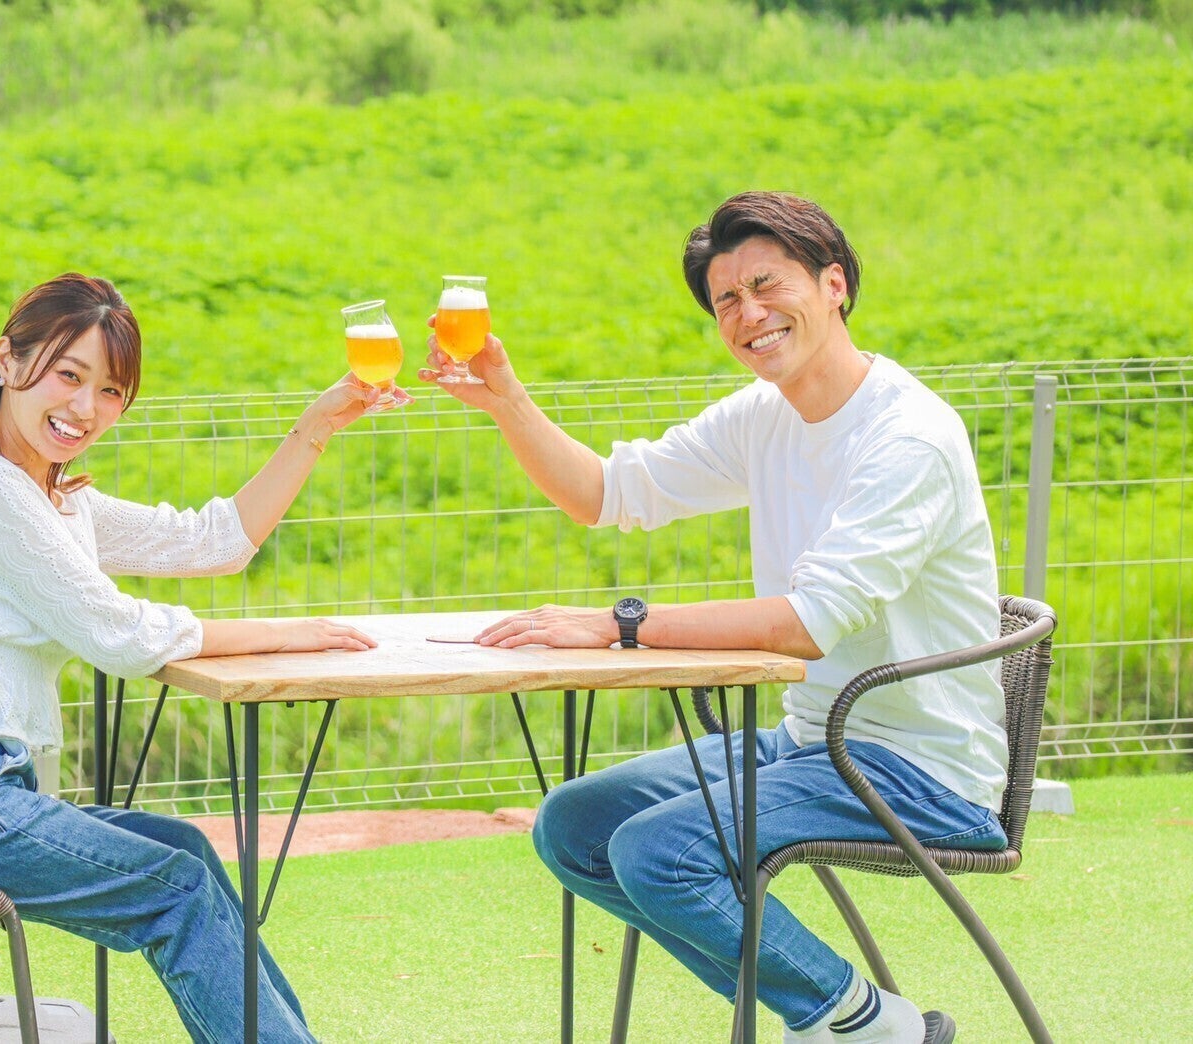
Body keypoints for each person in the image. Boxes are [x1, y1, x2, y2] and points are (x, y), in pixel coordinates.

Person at [420, 191, 1003, 1042]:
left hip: (920, 772)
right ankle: (855, 1015)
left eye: (767, 285)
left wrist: (622, 622)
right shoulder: (767, 415)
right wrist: (505, 397)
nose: (748, 314)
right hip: (812, 740)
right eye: (727, 299)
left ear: (834, 284)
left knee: (659, 853)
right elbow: (606, 493)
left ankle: (860, 1025)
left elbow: (808, 623)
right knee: (575, 826)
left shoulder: (906, 437)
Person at [0, 272, 388, 1044]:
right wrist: (286, 633)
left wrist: (317, 425)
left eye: (111, 390)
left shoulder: (57, 503)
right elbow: (118, 635)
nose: (86, 408)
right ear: (7, 360)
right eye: (69, 375)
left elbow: (213, 541)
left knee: (182, 854)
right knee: (176, 890)